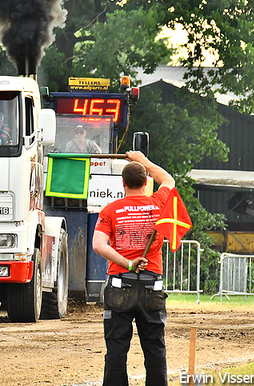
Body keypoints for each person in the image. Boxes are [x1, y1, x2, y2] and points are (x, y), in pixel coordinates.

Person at [92, 150, 175, 386]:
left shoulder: (111, 209)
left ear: (123, 183)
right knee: (155, 349)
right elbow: (169, 180)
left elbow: (98, 245)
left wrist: (128, 263)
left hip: (120, 285)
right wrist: (143, 160)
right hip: (152, 286)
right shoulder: (158, 203)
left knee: (116, 350)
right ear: (146, 182)